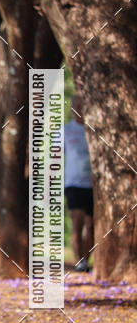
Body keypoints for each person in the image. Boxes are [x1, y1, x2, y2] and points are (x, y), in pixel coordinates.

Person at [64, 95, 93, 271]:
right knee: (78, 222)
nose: (79, 110)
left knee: (91, 224)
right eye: (76, 106)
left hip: (92, 185)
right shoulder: (66, 130)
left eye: (82, 106)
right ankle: (79, 262)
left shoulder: (93, 129)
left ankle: (86, 261)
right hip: (73, 183)